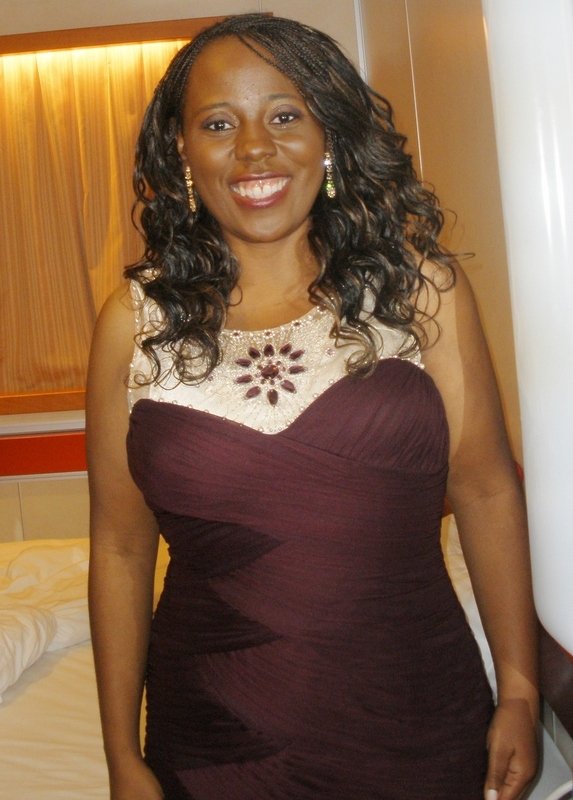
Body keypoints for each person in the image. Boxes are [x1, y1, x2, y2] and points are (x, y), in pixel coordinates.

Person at [86, 13, 539, 800]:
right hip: (213, 736)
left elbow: (485, 489)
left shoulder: (418, 291)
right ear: (182, 152)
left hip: (413, 718)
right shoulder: (135, 323)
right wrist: (121, 755)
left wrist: (521, 689)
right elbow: (121, 549)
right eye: (218, 124)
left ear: (328, 136)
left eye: (284, 115)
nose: (253, 149)